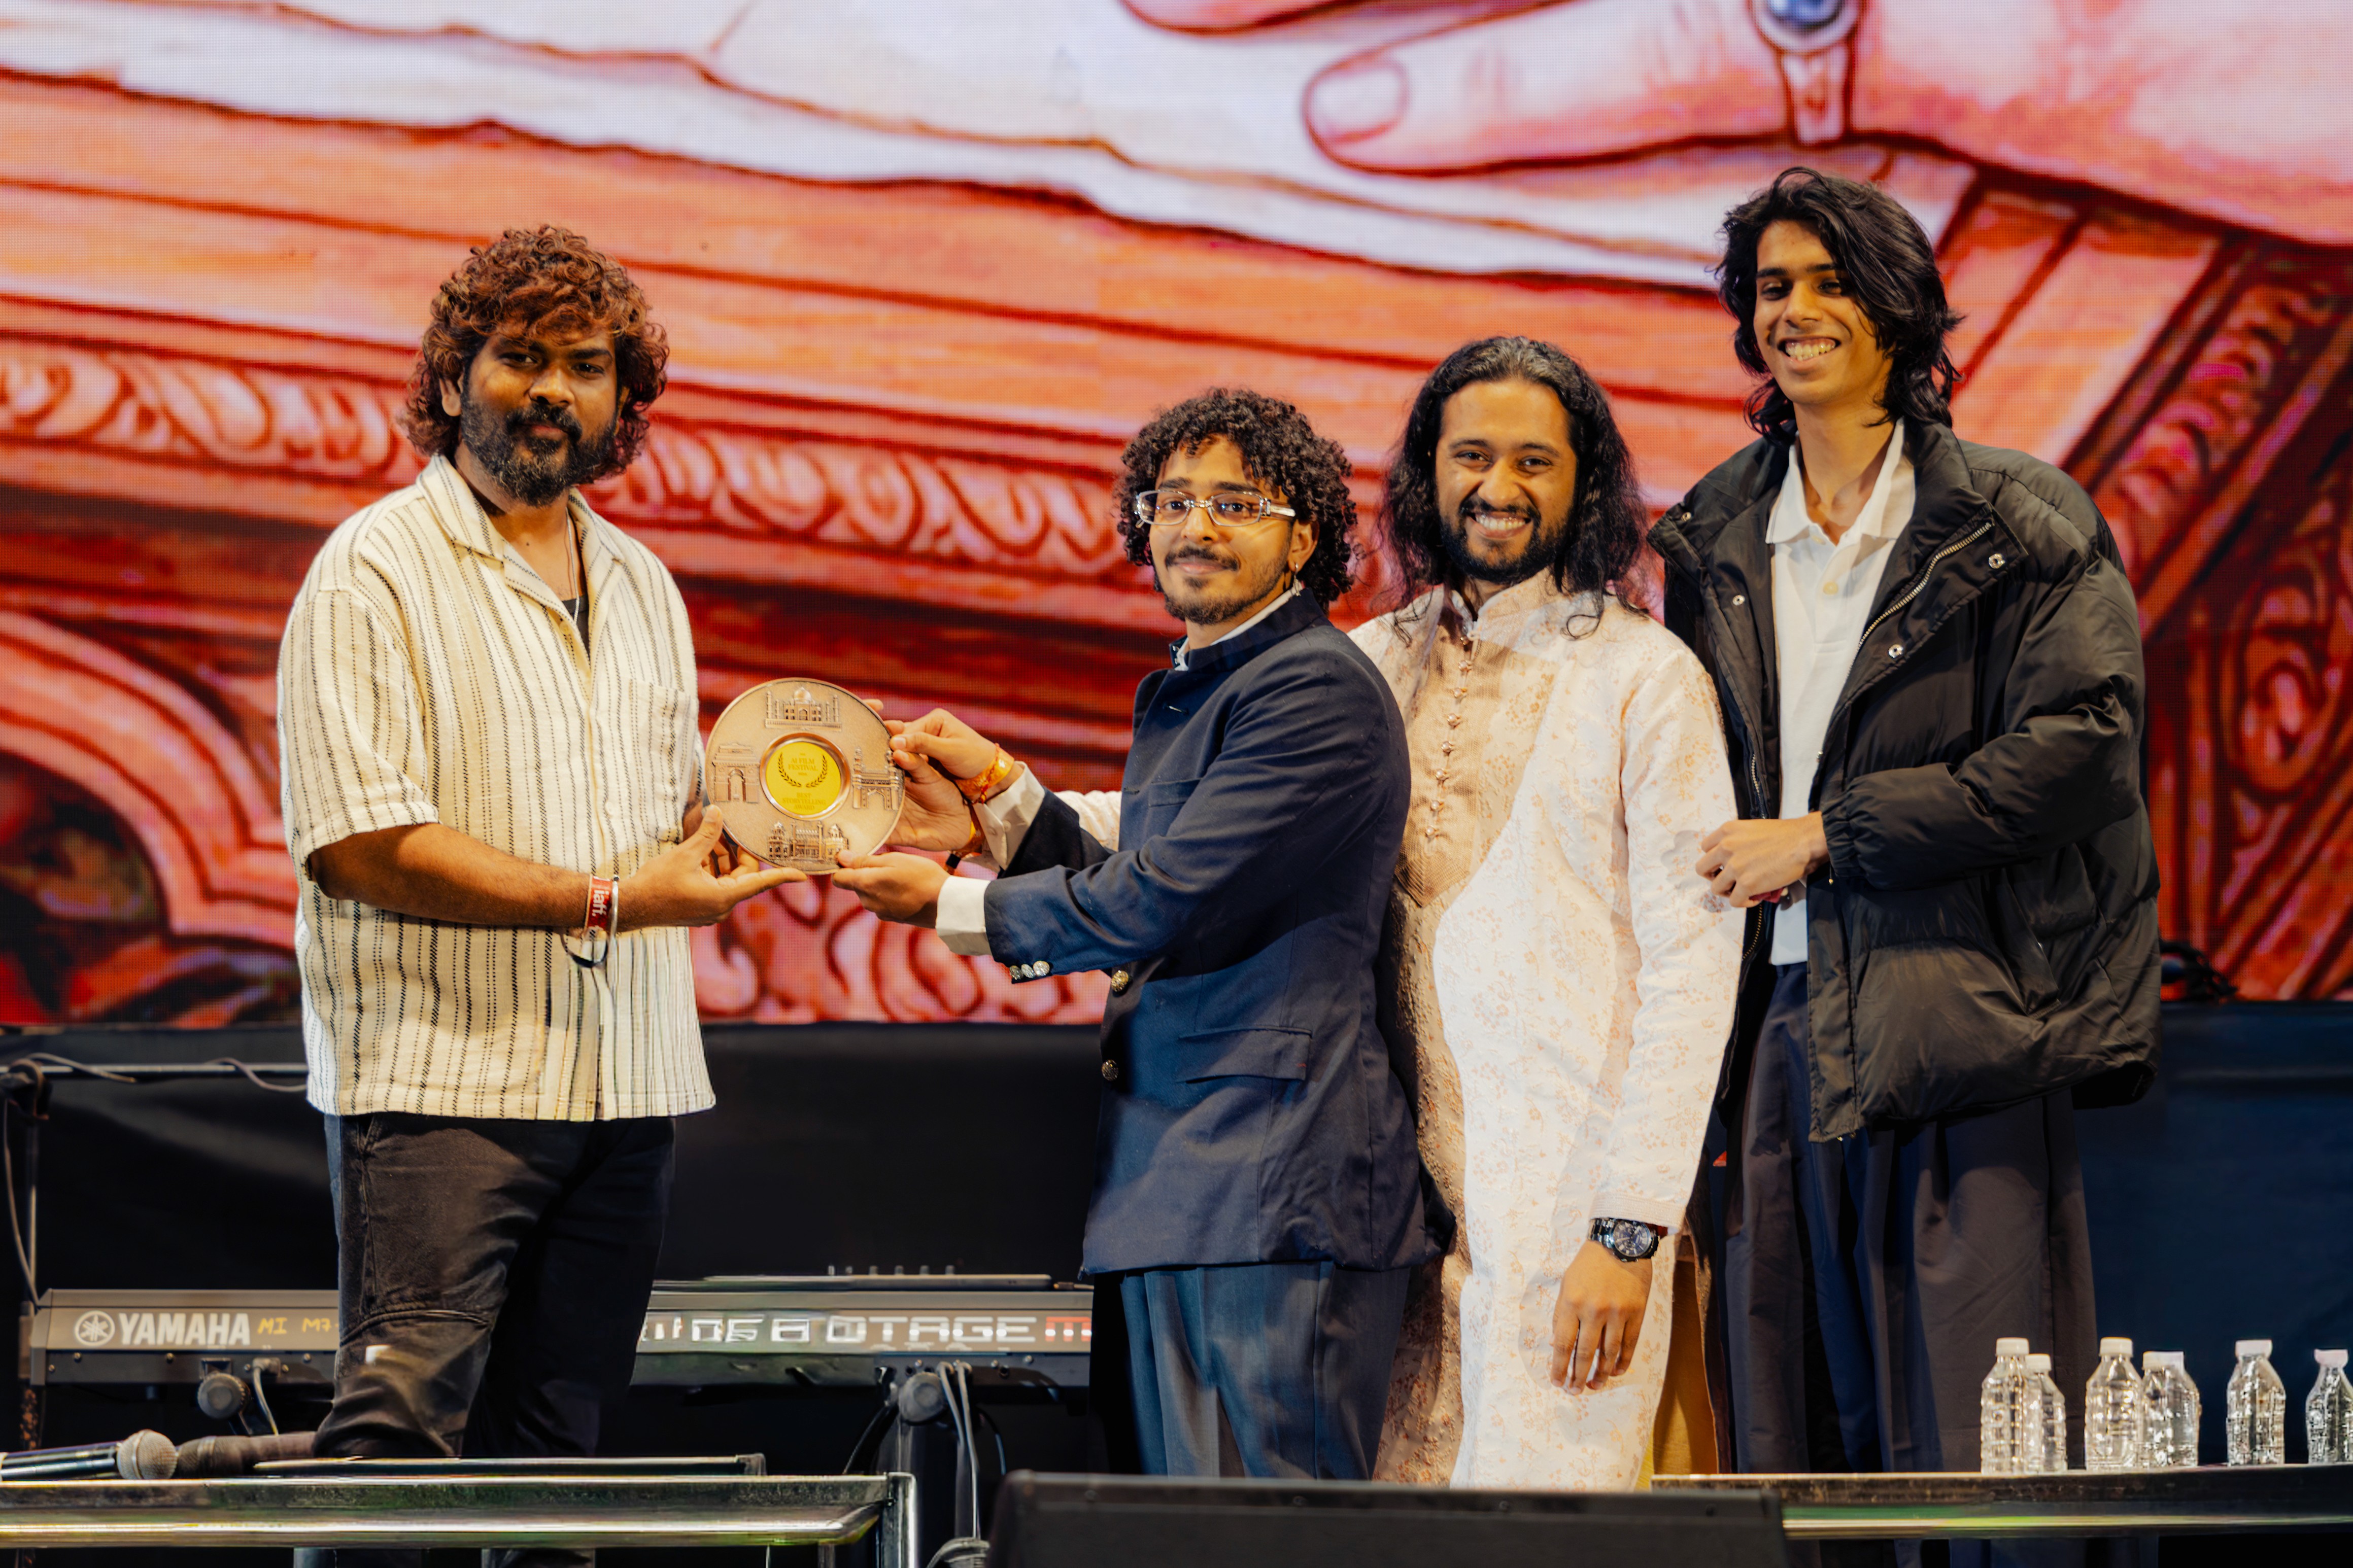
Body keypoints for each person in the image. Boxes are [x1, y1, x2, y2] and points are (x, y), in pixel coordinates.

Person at [277, 226, 796, 1568]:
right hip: (442, 1089)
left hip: (625, 1089)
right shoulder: (373, 565)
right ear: (454, 378)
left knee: (557, 1472)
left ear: (624, 400)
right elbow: (360, 844)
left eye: (586, 365)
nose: (552, 388)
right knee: (394, 1457)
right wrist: (612, 898)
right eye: (519, 357)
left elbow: (667, 822)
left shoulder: (643, 584)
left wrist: (816, 810)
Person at [1650, 168, 2160, 1497]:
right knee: (1786, 1434)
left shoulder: (2019, 517)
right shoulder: (1712, 534)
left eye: (1830, 283)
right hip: (1769, 1027)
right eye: (1772, 287)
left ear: (1898, 309)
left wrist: (1828, 835)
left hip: (1961, 1018)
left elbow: (2081, 750)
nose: (1795, 311)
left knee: (1983, 1445)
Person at [834, 388, 1433, 1480]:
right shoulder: (1217, 682)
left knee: (1275, 1544)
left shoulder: (1310, 687)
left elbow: (1161, 898)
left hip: (1274, 1186)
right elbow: (1153, 868)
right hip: (1188, 1187)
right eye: (1174, 500)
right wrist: (992, 806)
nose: (1196, 527)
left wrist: (948, 905)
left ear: (1304, 536)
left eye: (1236, 504)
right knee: (1186, 1540)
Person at [1347, 337, 1740, 1488]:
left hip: (1566, 1221)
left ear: (1585, 485)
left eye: (1535, 461)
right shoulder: (1367, 664)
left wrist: (1628, 1230)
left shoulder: (1645, 677)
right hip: (1384, 1223)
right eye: (1472, 455)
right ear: (1428, 472)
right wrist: (1005, 815)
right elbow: (1216, 828)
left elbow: (1694, 970)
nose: (1500, 486)